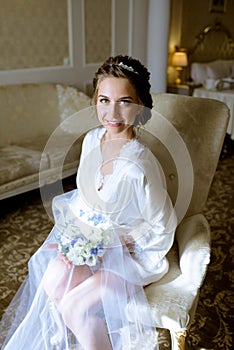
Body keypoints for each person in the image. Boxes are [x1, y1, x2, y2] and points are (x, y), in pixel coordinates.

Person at [0, 55, 177, 350]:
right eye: (104, 100)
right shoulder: (92, 141)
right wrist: (75, 243)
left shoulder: (140, 166)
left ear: (141, 106)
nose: (113, 112)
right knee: (53, 280)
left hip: (134, 255)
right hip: (95, 243)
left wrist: (123, 243)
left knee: (75, 306)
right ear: (95, 101)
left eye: (125, 101)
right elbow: (85, 198)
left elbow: (162, 226)